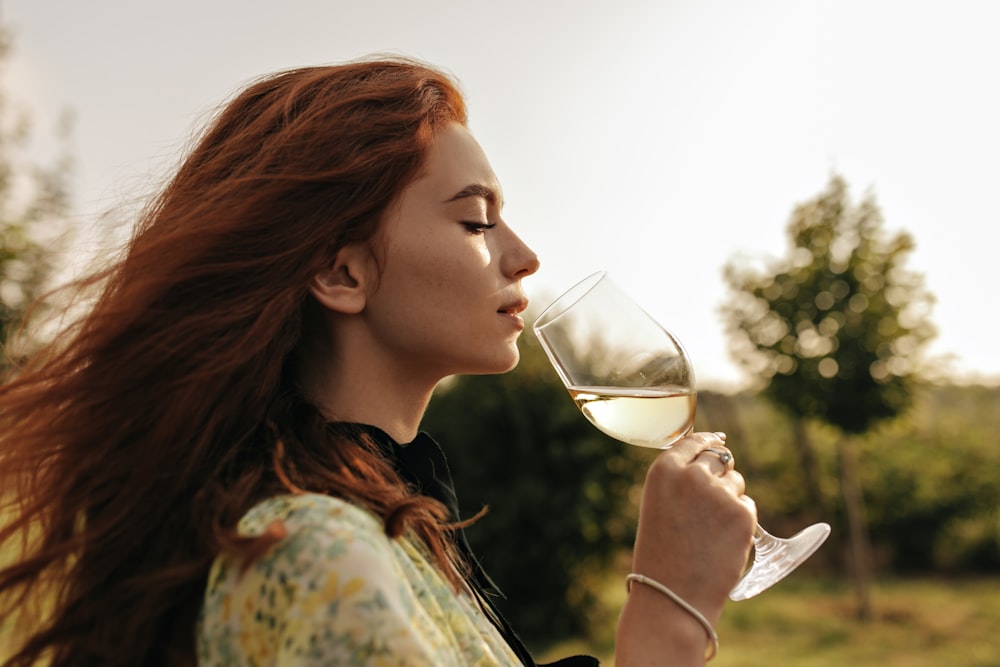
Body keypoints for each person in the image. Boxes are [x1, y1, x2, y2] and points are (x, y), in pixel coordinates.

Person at [0, 57, 756, 666]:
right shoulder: (309, 552)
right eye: (476, 219)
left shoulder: (366, 522)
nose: (523, 257)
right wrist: (668, 612)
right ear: (341, 273)